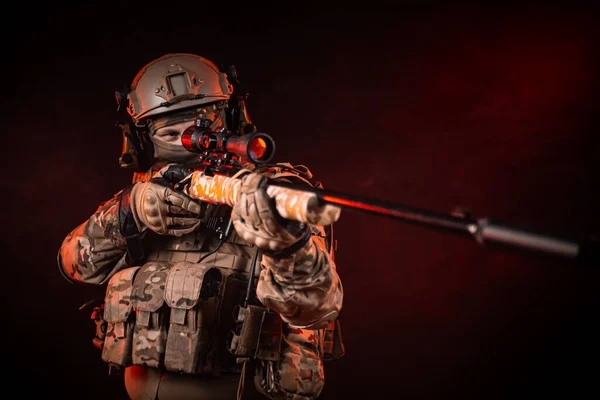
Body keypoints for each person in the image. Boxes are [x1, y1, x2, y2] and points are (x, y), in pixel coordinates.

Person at [57, 53, 344, 400]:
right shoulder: (144, 193)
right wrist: (128, 213)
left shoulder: (273, 192)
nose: (188, 141)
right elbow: (73, 265)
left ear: (230, 117)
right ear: (144, 138)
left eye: (201, 126)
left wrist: (286, 245)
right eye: (169, 132)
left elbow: (316, 308)